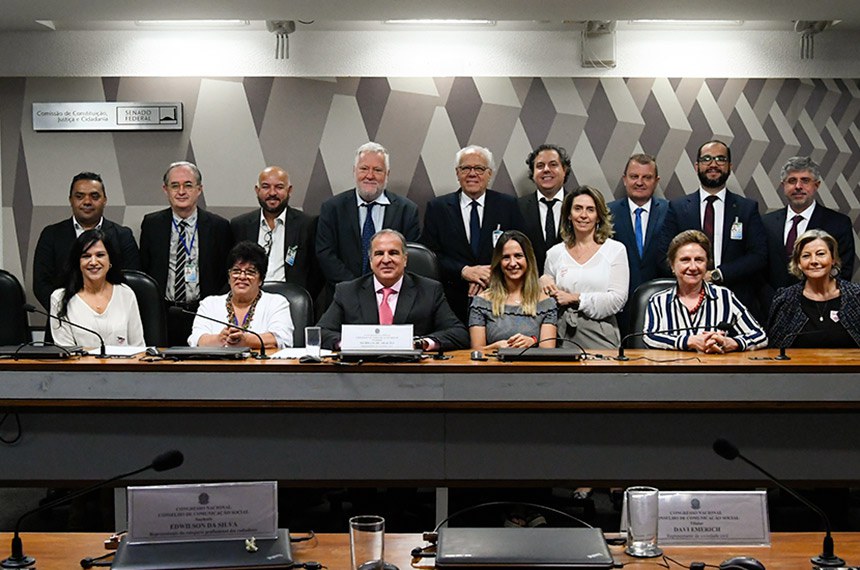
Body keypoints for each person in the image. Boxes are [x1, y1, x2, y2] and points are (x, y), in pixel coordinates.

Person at [658, 140, 767, 320]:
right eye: (706, 159)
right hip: (687, 302)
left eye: (720, 159)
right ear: (697, 166)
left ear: (730, 167)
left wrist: (717, 275)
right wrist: (693, 276)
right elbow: (663, 255)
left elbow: (759, 255)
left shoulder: (746, 208)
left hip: (736, 301)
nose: (713, 164)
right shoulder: (677, 208)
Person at [421, 145, 526, 322]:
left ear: (489, 174)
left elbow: (521, 251)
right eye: (466, 168)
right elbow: (431, 256)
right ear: (457, 173)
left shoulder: (508, 205)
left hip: (500, 297)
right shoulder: (437, 208)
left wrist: (488, 275)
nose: (472, 174)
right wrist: (464, 271)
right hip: (451, 300)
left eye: (479, 168)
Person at [317, 229, 468, 351]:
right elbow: (321, 333)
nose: (386, 260)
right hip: (362, 370)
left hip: (412, 371)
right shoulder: (347, 291)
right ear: (370, 261)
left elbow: (458, 333)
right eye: (379, 254)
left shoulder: (429, 290)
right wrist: (351, 343)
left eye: (393, 253)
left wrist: (421, 343)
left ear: (405, 259)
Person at [139, 161, 233, 346]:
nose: (181, 191)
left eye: (188, 185)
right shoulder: (152, 224)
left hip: (204, 313)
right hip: (163, 313)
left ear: (199, 189)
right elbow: (145, 268)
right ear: (166, 190)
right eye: (175, 186)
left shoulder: (219, 226)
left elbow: (226, 273)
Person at [315, 142, 420, 293]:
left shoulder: (407, 210)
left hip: (391, 294)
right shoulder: (332, 208)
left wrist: (383, 287)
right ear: (354, 171)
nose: (370, 176)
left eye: (377, 170)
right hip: (344, 294)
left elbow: (408, 256)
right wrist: (355, 289)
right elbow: (325, 253)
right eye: (364, 169)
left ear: (387, 174)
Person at [645, 230, 767, 352]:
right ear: (672, 265)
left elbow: (760, 335)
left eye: (699, 260)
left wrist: (733, 343)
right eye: (685, 260)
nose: (693, 267)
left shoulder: (724, 297)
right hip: (674, 364)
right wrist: (689, 341)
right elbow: (649, 337)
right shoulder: (658, 301)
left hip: (714, 364)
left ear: (707, 264)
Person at [33, 171, 140, 311]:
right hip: (63, 316)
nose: (87, 202)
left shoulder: (123, 236)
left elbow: (131, 281)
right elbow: (41, 284)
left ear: (105, 200)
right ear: (70, 200)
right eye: (79, 196)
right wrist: (68, 311)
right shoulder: (51, 235)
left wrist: (104, 311)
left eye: (94, 196)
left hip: (112, 317)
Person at [540, 186, 629, 349]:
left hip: (601, 333)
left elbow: (617, 300)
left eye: (590, 210)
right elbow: (546, 302)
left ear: (598, 216)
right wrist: (542, 283)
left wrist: (575, 298)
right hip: (562, 333)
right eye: (578, 208)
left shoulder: (615, 250)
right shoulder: (554, 253)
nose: (583, 215)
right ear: (568, 214)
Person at [762, 156, 855, 309]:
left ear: (816, 185)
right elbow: (758, 269)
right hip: (771, 309)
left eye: (805, 180)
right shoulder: (766, 223)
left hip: (819, 310)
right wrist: (775, 303)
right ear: (783, 185)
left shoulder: (838, 223)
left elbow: (842, 271)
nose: (798, 186)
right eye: (792, 181)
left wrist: (815, 302)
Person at [230, 165, 321, 298]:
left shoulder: (307, 224)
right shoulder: (240, 225)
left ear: (289, 190)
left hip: (291, 301)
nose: (272, 193)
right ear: (257, 190)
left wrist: (302, 300)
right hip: (249, 300)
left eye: (279, 187)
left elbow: (317, 272)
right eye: (266, 187)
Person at [189, 241, 293, 349]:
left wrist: (246, 341)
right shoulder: (209, 304)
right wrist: (219, 339)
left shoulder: (277, 303)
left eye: (250, 272)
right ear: (229, 277)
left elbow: (281, 339)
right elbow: (197, 339)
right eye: (236, 271)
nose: (242, 277)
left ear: (261, 279)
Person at [49, 229, 144, 347]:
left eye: (100, 255)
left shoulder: (126, 294)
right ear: (78, 262)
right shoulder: (59, 298)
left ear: (110, 260)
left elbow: (138, 347)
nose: (93, 262)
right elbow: (66, 352)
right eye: (86, 256)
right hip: (78, 360)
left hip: (123, 360)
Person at [607, 154, 668, 335]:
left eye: (647, 177)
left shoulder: (670, 211)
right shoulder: (607, 212)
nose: (639, 182)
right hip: (618, 307)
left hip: (662, 304)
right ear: (624, 179)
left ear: (656, 181)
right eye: (634, 176)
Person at [768, 229, 860, 349]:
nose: (814, 261)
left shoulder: (856, 296)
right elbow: (774, 349)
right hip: (798, 362)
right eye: (806, 256)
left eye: (820, 254)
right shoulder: (785, 300)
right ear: (799, 263)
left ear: (833, 259)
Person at [469, 231, 557, 350]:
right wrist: (496, 347)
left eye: (518, 256)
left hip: (531, 363)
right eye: (506, 257)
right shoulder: (481, 302)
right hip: (493, 362)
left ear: (528, 259)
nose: (512, 263)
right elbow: (476, 351)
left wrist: (533, 341)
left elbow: (548, 352)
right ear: (499, 262)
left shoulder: (546, 303)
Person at [518, 144, 571, 274]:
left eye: (553, 165)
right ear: (533, 173)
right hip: (529, 282)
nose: (546, 170)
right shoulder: (517, 207)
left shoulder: (578, 206)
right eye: (540, 166)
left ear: (564, 170)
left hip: (570, 282)